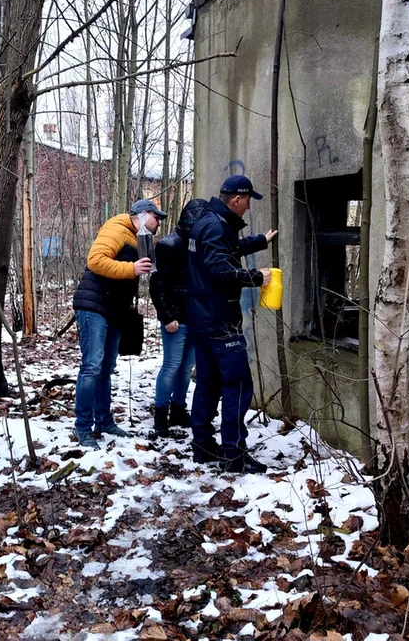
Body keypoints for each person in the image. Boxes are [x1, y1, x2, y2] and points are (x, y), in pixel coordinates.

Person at [187, 175, 278, 473]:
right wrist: (255, 278)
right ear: (237, 199)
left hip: (202, 318)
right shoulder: (216, 225)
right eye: (248, 201)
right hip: (220, 321)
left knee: (208, 384)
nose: (248, 207)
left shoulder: (208, 223)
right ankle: (234, 455)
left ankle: (201, 446)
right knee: (238, 385)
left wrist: (259, 241)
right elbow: (218, 267)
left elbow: (225, 252)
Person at [72, 198, 167, 449]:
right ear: (144, 214)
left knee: (105, 368)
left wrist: (128, 303)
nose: (159, 223)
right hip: (94, 306)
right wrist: (132, 269)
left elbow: (123, 274)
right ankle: (82, 427)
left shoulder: (138, 237)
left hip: (114, 309)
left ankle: (103, 420)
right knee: (92, 366)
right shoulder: (117, 228)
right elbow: (96, 261)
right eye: (156, 217)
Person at [148, 199, 207, 437]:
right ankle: (160, 415)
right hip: (175, 318)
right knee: (171, 366)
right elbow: (157, 284)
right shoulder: (168, 245)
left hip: (195, 317)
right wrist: (167, 315)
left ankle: (179, 410)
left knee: (185, 369)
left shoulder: (200, 245)